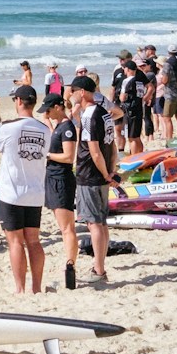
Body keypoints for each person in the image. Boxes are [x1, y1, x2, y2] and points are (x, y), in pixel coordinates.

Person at [0, 86, 49, 293]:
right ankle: (37, 287)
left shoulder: (8, 127)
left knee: (15, 242)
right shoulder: (44, 129)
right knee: (33, 240)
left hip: (12, 192)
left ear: (20, 102)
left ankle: (20, 288)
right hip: (34, 192)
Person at [71, 76, 115, 282]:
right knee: (101, 222)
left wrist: (106, 173)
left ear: (82, 92)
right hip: (101, 172)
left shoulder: (89, 115)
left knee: (94, 223)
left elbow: (94, 150)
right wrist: (110, 171)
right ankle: (99, 266)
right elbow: (112, 146)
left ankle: (99, 270)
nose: (70, 95)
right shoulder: (105, 114)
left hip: (91, 174)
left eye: (73, 91)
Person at [40, 92, 79, 289]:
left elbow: (68, 157)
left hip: (61, 179)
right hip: (54, 178)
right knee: (63, 226)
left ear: (57, 107)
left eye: (48, 110)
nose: (46, 113)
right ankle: (70, 262)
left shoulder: (67, 127)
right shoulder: (59, 126)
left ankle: (70, 265)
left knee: (67, 228)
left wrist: (47, 155)